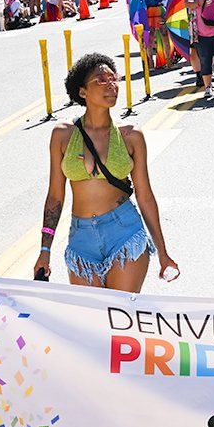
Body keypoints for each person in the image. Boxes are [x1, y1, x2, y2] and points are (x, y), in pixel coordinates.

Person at [35, 53, 178, 289]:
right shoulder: (62, 135)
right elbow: (55, 196)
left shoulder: (131, 136)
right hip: (81, 240)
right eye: (101, 80)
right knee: (93, 322)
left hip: (124, 232)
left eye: (114, 79)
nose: (111, 85)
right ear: (82, 92)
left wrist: (163, 252)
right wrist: (45, 249)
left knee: (121, 316)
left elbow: (145, 195)